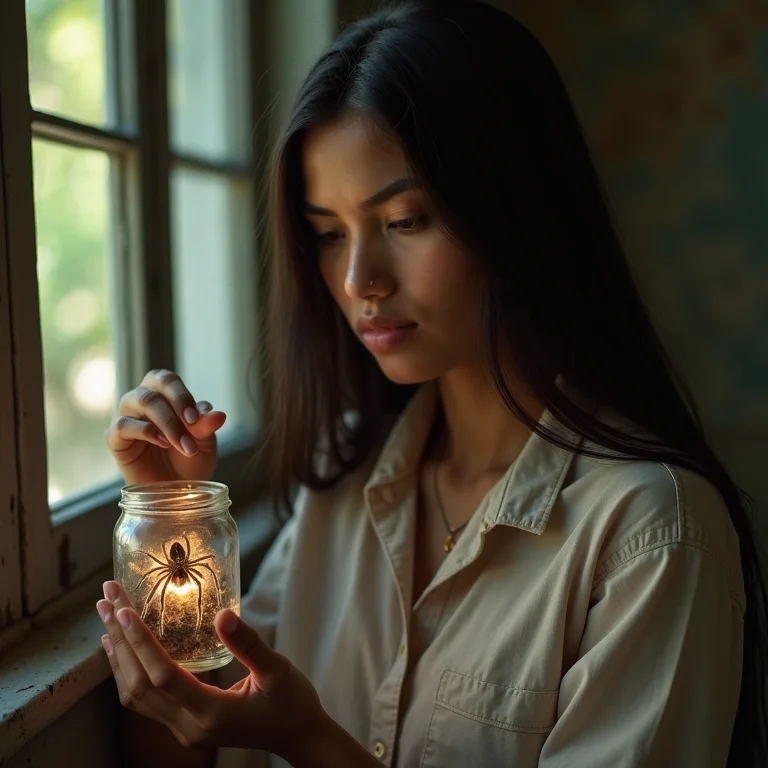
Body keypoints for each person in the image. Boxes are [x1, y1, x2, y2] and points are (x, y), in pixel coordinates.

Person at [97, 1, 768, 766]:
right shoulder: (345, 487)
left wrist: (308, 742)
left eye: (407, 219)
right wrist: (167, 510)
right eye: (327, 233)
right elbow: (184, 740)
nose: (358, 281)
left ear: (516, 207)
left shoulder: (650, 531)